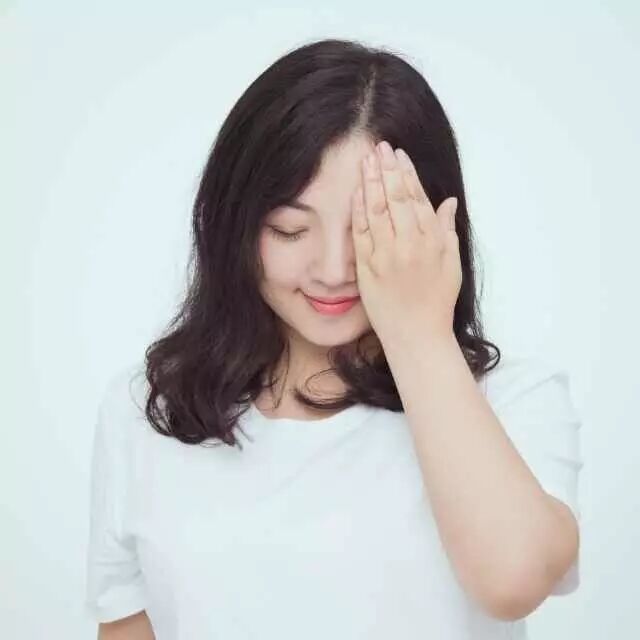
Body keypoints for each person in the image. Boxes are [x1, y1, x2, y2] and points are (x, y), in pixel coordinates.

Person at [84, 38, 583, 639]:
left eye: (370, 227)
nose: (332, 268)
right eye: (289, 230)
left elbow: (514, 581)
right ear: (234, 224)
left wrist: (419, 332)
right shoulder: (149, 409)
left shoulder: (509, 399)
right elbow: (128, 628)